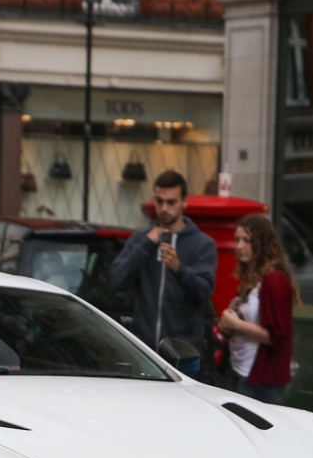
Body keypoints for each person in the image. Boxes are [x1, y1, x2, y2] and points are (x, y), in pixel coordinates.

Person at [109, 169, 217, 374]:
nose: (164, 208)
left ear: (184, 202)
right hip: (144, 351)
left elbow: (204, 291)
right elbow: (116, 280)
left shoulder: (202, 244)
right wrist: (146, 244)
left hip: (183, 355)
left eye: (171, 202)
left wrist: (179, 269)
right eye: (159, 201)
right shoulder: (141, 238)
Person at [216, 214, 298, 404]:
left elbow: (277, 336)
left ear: (262, 243)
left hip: (260, 378)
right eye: (237, 239)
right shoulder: (253, 277)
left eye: (247, 240)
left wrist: (236, 323)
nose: (239, 246)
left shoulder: (274, 280)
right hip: (240, 368)